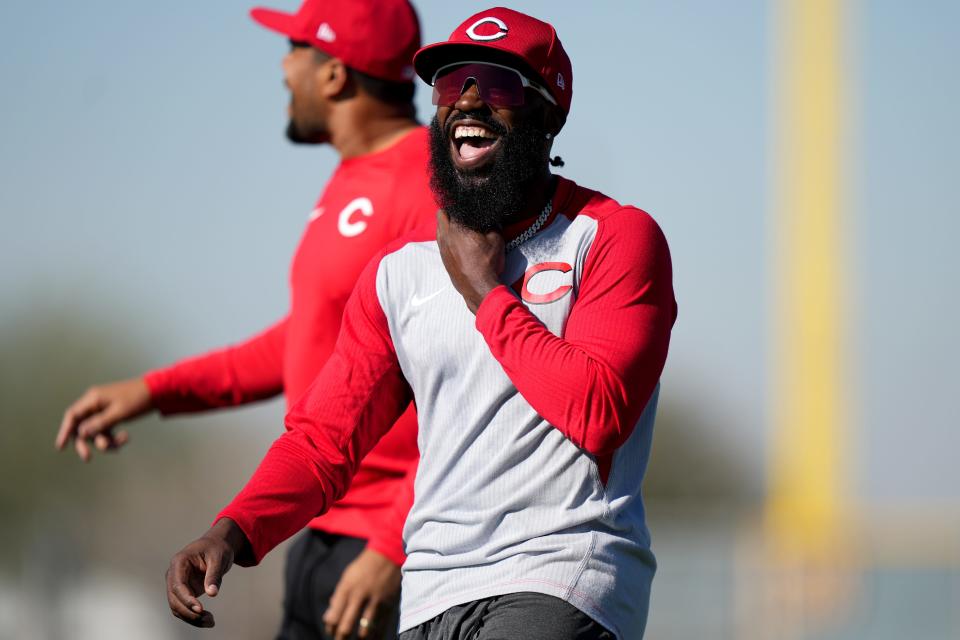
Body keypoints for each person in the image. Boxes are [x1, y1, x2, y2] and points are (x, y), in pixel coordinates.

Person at [164, 7, 678, 639]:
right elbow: (322, 442)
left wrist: (487, 293)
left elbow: (600, 411)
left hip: (562, 576)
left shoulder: (615, 237)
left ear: (549, 113)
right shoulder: (397, 275)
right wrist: (230, 532)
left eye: (497, 86)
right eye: (450, 83)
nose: (467, 101)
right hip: (432, 593)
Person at [54, 1, 436, 638]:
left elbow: (462, 372)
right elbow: (307, 343)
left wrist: (395, 546)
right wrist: (153, 391)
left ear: (335, 75)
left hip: (391, 555)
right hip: (322, 532)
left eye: (293, 50)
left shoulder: (429, 181)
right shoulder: (350, 179)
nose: (284, 68)